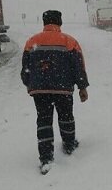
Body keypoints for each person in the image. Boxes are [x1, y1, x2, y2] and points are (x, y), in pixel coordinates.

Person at [21, 10, 89, 174]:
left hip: (40, 91)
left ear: (44, 23)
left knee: (43, 121)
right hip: (63, 88)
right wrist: (82, 87)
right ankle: (69, 144)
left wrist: (30, 84)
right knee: (66, 117)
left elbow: (25, 69)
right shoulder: (69, 41)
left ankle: (46, 157)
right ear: (59, 23)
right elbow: (78, 66)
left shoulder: (32, 42)